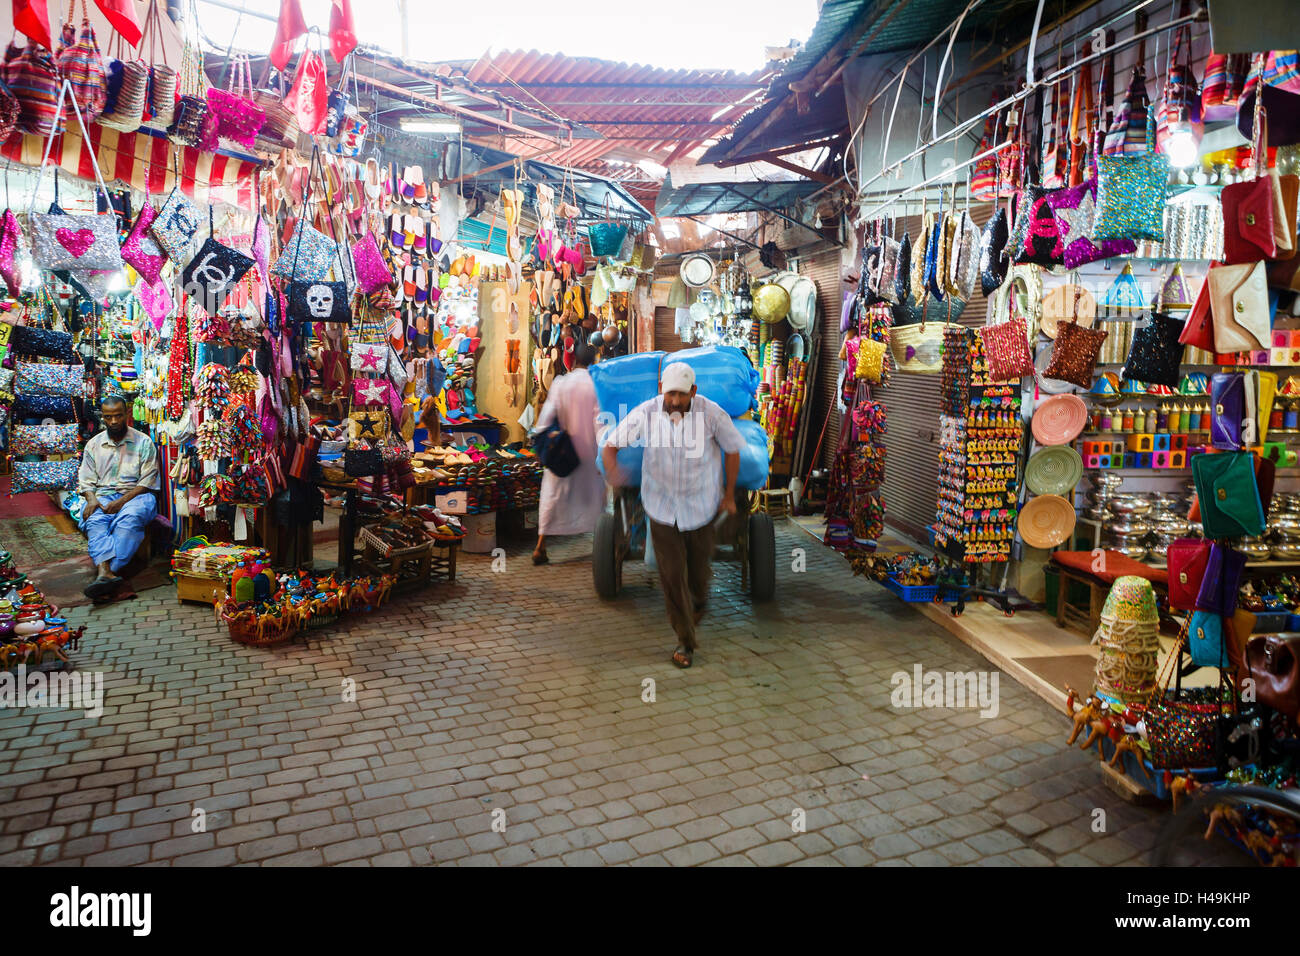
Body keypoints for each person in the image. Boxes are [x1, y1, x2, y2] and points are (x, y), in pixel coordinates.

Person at [601, 362, 743, 668]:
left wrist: (729, 494)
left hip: (701, 505)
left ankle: (699, 603)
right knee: (671, 574)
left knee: (698, 577)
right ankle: (685, 641)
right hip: (661, 507)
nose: (675, 401)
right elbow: (610, 445)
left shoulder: (711, 413)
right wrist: (612, 469)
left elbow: (733, 450)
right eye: (670, 394)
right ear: (661, 390)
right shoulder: (647, 412)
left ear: (693, 391)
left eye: (681, 395)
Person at [77, 395, 160, 600]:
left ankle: (105, 572)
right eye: (108, 417)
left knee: (129, 521)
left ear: (127, 414)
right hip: (103, 496)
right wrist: (92, 499)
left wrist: (121, 502)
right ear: (102, 417)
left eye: (118, 416)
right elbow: (86, 480)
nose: (114, 421)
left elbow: (147, 481)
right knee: (94, 519)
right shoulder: (94, 445)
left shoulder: (143, 442)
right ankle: (107, 575)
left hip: (136, 495)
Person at [533, 340, 603, 564]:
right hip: (588, 452)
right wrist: (605, 452)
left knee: (552, 497)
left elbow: (546, 418)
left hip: (561, 450)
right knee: (593, 499)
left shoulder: (561, 383)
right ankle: (600, 544)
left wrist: (542, 442)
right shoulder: (596, 386)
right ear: (594, 361)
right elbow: (599, 422)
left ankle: (540, 547)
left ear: (573, 360)